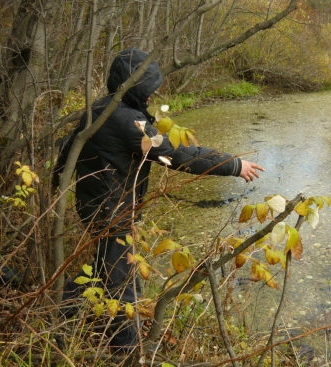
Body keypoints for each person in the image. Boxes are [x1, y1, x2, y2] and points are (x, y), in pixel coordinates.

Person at [52, 48, 264, 351]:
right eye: (149, 88)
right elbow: (176, 155)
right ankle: (125, 353)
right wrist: (233, 165)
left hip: (97, 209)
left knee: (101, 273)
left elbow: (67, 149)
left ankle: (53, 311)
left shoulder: (101, 108)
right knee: (123, 289)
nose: (153, 94)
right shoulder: (128, 122)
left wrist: (56, 187)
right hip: (113, 215)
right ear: (134, 86)